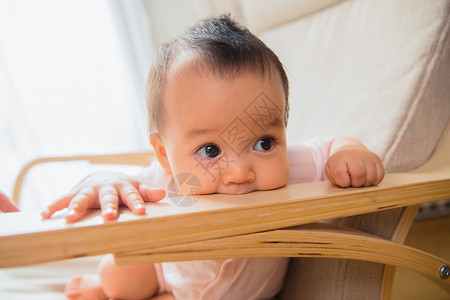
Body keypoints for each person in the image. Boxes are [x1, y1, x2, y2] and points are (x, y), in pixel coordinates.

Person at [41, 14, 384, 300]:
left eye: (264, 142)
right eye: (210, 151)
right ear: (164, 154)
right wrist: (103, 181)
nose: (239, 172)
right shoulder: (166, 183)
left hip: (252, 293)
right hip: (166, 275)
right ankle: (102, 287)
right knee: (123, 280)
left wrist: (349, 152)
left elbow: (331, 145)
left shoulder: (292, 167)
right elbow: (118, 183)